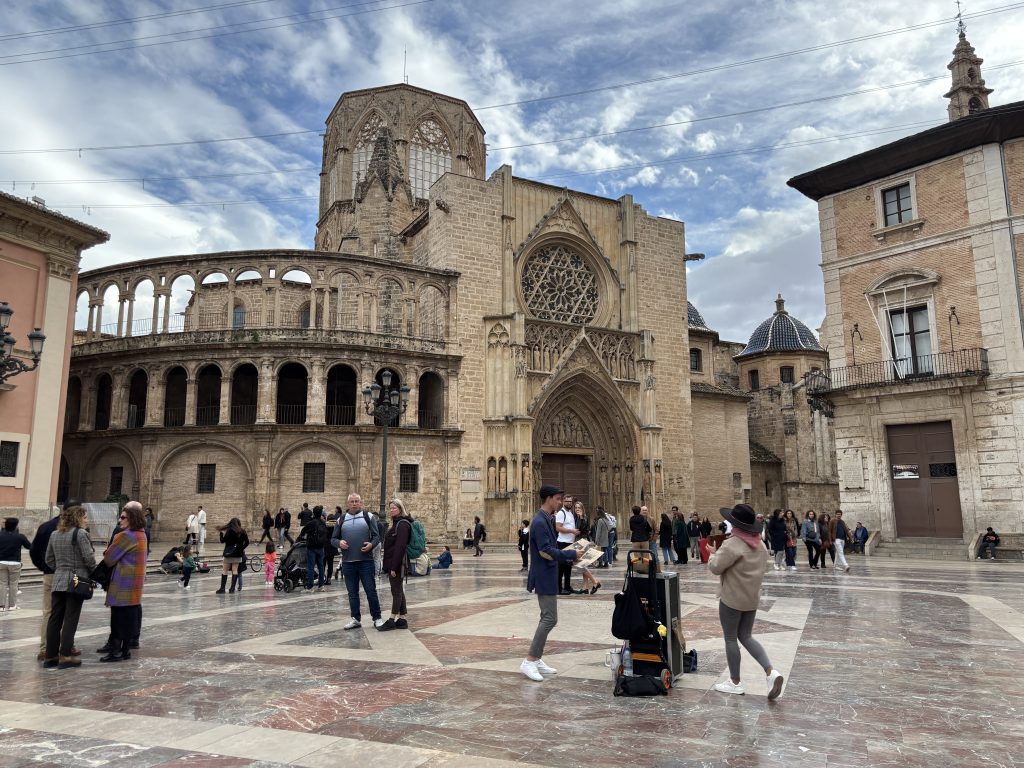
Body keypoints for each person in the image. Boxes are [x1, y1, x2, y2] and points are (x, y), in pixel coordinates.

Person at [708, 504, 784, 700]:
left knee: (731, 638)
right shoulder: (760, 545)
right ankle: (770, 672)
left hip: (732, 599)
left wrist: (712, 554)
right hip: (751, 598)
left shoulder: (732, 544)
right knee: (747, 636)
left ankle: (734, 681)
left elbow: (716, 567)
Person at [520, 484, 581, 682]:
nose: (560, 503)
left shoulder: (546, 518)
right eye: (557, 499)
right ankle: (529, 660)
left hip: (548, 573)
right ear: (548, 499)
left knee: (547, 617)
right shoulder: (539, 521)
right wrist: (571, 554)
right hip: (543, 574)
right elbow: (545, 551)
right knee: (549, 618)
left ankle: (536, 659)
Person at [43, 503, 96, 669]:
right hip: (76, 580)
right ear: (78, 517)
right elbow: (89, 558)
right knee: (70, 617)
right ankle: (65, 655)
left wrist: (61, 569)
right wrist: (93, 573)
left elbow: (48, 559)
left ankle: (50, 656)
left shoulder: (54, 534)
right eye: (85, 517)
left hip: (58, 579)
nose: (87, 520)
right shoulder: (81, 534)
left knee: (55, 618)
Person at [100, 501, 147, 662]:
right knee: (128, 619)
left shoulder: (125, 535)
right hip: (135, 583)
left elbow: (109, 558)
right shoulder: (142, 534)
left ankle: (115, 651)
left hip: (122, 583)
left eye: (123, 517)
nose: (120, 521)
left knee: (118, 618)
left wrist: (108, 549)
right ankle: (125, 650)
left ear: (131, 518)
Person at [333, 493, 385, 630]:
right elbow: (333, 539)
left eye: (357, 501)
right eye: (352, 501)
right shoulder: (341, 519)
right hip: (348, 563)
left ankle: (377, 618)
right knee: (352, 593)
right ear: (348, 503)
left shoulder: (368, 517)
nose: (354, 503)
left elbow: (376, 537)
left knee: (370, 591)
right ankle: (355, 618)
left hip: (365, 562)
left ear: (361, 503)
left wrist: (371, 545)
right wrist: (339, 542)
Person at [30, 509, 62, 660]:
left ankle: (45, 648)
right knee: (67, 612)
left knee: (48, 612)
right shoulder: (75, 529)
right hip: (68, 575)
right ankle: (65, 646)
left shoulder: (45, 527)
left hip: (49, 573)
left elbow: (34, 550)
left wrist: (43, 566)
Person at [379, 499, 412, 631]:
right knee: (398, 589)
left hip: (397, 563)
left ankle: (392, 618)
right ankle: (402, 619)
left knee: (396, 590)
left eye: (394, 508)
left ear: (400, 509)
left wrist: (394, 567)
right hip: (393, 562)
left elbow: (400, 547)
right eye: (391, 508)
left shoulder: (402, 525)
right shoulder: (397, 523)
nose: (392, 510)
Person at [0, 517, 31, 612]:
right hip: (15, 562)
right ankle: (12, 605)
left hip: (1, 562)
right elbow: (30, 546)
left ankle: (1, 606)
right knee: (13, 584)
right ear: (16, 526)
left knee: (2, 583)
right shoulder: (20, 536)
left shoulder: (0, 535)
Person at [216, 517, 248, 594]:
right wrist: (240, 549)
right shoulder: (242, 531)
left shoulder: (229, 531)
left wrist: (221, 535)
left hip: (228, 554)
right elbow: (247, 542)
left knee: (225, 570)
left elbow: (222, 541)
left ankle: (222, 588)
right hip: (237, 554)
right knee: (235, 570)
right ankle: (232, 588)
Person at [554, 496, 580, 594]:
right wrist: (571, 531)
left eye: (570, 501)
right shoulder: (561, 513)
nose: (569, 503)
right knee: (561, 567)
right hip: (562, 543)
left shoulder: (570, 513)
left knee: (568, 566)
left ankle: (567, 587)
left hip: (570, 542)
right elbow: (558, 528)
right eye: (567, 501)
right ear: (563, 502)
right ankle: (558, 589)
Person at [300, 505, 329, 591]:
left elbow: (303, 531)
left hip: (312, 547)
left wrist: (304, 536)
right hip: (321, 547)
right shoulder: (323, 523)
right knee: (321, 566)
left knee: (311, 566)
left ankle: (310, 586)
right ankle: (321, 586)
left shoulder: (312, 522)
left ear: (313, 513)